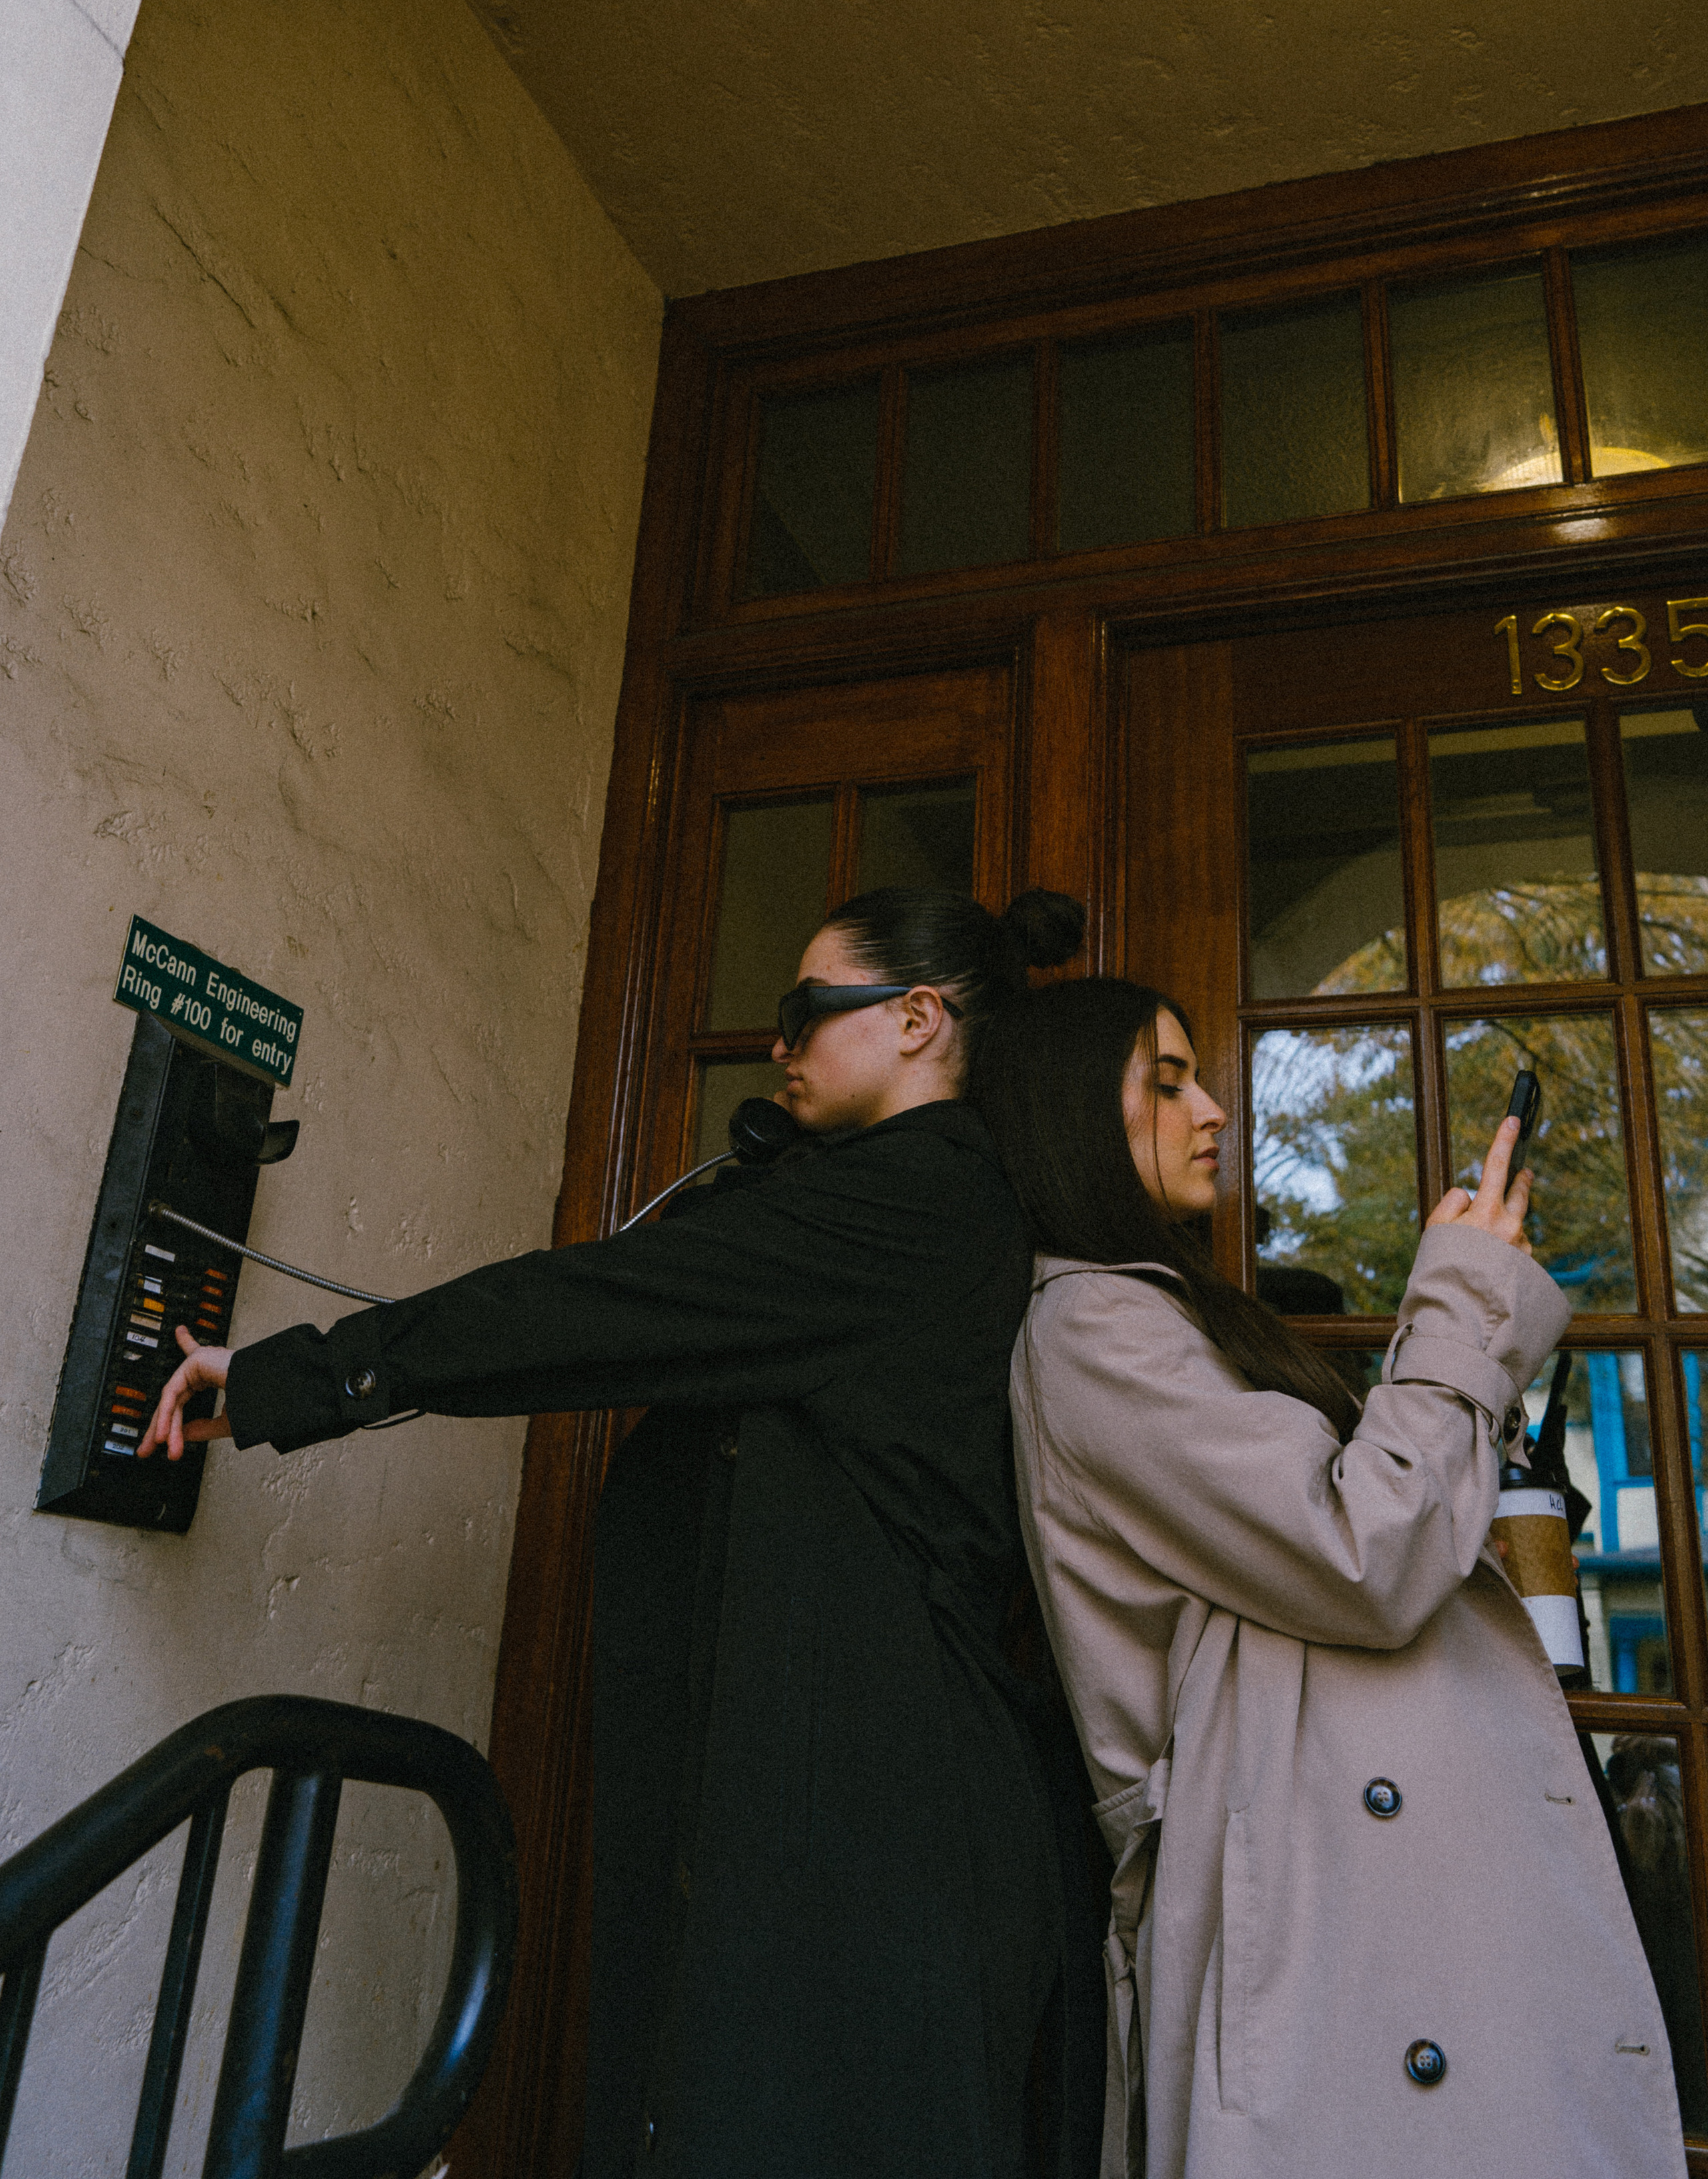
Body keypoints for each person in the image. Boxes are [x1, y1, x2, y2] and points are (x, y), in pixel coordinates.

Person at [142, 886, 1091, 2179]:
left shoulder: (922, 1193)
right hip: (854, 1814)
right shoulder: (890, 1196)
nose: (780, 1043)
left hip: (880, 1830)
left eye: (807, 1009)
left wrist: (303, 1379)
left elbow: (605, 1303)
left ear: (918, 1019)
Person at [970, 976, 1688, 2179]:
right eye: (1167, 1083)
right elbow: (1365, 1549)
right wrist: (1461, 1294)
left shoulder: (1170, 1318)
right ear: (1069, 1116)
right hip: (1314, 1900)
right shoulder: (1091, 1327)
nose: (1213, 1110)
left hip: (1345, 1886)